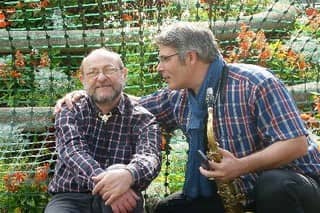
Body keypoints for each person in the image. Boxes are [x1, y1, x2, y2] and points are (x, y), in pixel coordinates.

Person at [55, 22, 320, 213]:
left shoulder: (255, 82)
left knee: (274, 186)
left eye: (164, 59)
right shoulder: (178, 97)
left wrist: (241, 166)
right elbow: (125, 106)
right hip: (236, 197)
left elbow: (295, 144)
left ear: (190, 57)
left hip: (295, 186)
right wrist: (90, 89)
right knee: (170, 210)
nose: (159, 67)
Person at [45, 48, 162, 213]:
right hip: (71, 197)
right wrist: (109, 186)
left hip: (123, 193)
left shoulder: (143, 118)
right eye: (92, 72)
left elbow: (150, 157)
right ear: (82, 79)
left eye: (109, 70)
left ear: (124, 73)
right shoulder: (70, 110)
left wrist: (129, 174)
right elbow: (72, 152)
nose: (101, 78)